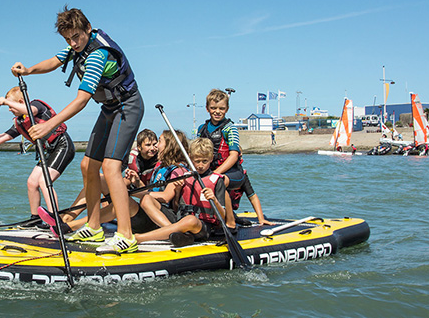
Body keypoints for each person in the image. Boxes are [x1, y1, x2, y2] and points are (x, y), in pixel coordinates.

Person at [12, 6, 144, 253]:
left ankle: (126, 235)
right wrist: (29, 70)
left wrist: (49, 124)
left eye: (76, 37)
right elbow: (54, 61)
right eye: (68, 39)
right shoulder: (77, 45)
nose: (72, 43)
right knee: (87, 166)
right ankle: (93, 228)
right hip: (109, 108)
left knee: (111, 167)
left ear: (88, 29)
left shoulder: (97, 53)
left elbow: (82, 99)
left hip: (128, 106)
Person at [41, 130, 189, 239]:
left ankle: (69, 226)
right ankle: (66, 219)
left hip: (157, 220)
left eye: (159, 142)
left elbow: (165, 197)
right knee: (99, 179)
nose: (156, 146)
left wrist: (131, 192)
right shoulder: (159, 166)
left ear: (169, 146)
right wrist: (134, 183)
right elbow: (145, 188)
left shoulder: (178, 170)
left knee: (123, 201)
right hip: (145, 213)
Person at [136, 138, 273, 246]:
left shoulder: (217, 181)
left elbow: (224, 217)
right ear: (190, 158)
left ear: (211, 159)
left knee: (190, 220)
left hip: (204, 226)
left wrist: (213, 200)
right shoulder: (185, 176)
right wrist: (177, 192)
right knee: (146, 200)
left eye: (204, 161)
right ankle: (174, 232)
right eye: (197, 161)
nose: (200, 165)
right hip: (181, 219)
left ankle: (139, 238)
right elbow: (177, 207)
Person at [0, 87, 75, 225]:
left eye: (11, 106)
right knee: (32, 182)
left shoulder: (37, 106)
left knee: (44, 181)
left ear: (21, 101)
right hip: (49, 151)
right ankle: (35, 219)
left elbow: (30, 110)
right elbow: (4, 137)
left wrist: (5, 101)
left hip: (63, 146)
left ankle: (56, 220)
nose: (9, 109)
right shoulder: (20, 121)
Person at [61, 128, 158, 223]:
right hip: (131, 194)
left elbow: (155, 195)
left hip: (147, 205)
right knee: (98, 179)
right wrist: (105, 199)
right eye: (148, 145)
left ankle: (70, 222)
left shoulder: (161, 164)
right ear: (139, 147)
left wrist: (137, 182)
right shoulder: (130, 157)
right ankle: (66, 217)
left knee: (114, 184)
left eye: (154, 144)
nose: (152, 148)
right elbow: (112, 178)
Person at [196, 89, 246, 230]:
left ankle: (230, 222)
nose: (217, 111)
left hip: (233, 173)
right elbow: (195, 152)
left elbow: (234, 155)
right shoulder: (202, 129)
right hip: (210, 171)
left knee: (219, 182)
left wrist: (216, 173)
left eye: (221, 108)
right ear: (207, 109)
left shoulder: (230, 129)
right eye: (213, 108)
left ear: (227, 109)